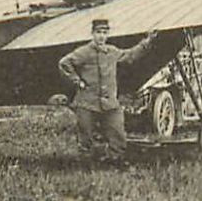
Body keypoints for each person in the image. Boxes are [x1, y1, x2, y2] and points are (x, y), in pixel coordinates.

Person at [58, 19, 158, 162]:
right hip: (87, 102)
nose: (101, 36)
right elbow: (64, 63)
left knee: (118, 134)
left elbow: (130, 55)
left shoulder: (112, 51)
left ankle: (114, 161)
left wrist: (147, 41)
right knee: (85, 137)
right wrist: (77, 81)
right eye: (98, 32)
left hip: (110, 103)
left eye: (105, 33)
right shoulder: (84, 52)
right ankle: (86, 166)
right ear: (92, 34)